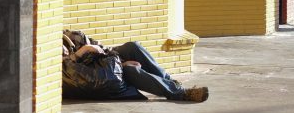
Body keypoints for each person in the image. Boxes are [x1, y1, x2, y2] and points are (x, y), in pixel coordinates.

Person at [62, 29, 209, 102]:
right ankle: (181, 93)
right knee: (129, 71)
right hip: (96, 79)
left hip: (103, 68)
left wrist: (117, 59)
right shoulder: (46, 50)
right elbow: (71, 71)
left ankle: (169, 80)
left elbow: (101, 49)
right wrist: (83, 51)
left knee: (132, 47)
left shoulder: (69, 36)